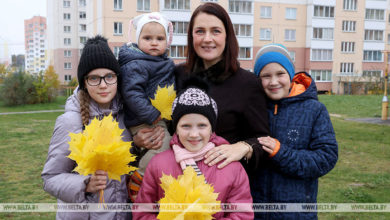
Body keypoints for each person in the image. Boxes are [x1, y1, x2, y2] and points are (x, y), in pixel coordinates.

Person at [133, 79, 254, 219]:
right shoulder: (157, 163)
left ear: (212, 129)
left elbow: (242, 214)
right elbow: (142, 212)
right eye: (186, 126)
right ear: (176, 128)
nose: (194, 134)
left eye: (202, 125)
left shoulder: (231, 166)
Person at [172, 2, 270, 172]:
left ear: (227, 36)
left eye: (215, 31)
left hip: (223, 184)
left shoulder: (247, 83)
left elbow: (263, 141)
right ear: (191, 36)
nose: (207, 38)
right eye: (200, 31)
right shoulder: (178, 74)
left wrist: (244, 147)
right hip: (177, 179)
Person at [41, 35, 131, 219]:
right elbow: (50, 178)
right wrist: (85, 184)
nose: (103, 85)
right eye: (94, 78)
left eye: (109, 76)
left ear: (117, 78)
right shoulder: (70, 122)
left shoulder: (125, 115)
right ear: (84, 82)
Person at [252, 43, 338, 219]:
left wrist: (281, 153)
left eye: (280, 74)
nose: (273, 82)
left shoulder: (314, 110)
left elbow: (326, 158)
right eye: (266, 76)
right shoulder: (253, 108)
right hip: (256, 212)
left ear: (291, 75)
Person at [118, 12, 175, 202]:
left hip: (156, 117)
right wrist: (152, 114)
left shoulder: (162, 62)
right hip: (143, 119)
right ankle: (139, 176)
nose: (154, 43)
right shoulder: (136, 64)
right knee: (164, 146)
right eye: (147, 38)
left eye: (160, 38)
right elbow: (132, 93)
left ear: (167, 41)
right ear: (137, 39)